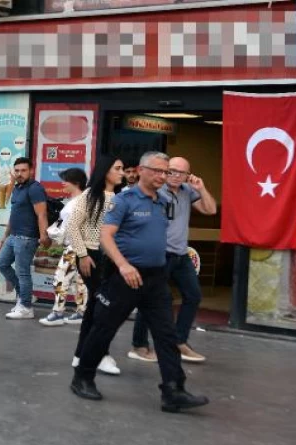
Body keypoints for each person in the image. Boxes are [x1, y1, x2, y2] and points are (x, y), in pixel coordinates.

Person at [71, 151, 209, 413]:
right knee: (103, 328)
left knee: (166, 335)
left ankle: (173, 390)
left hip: (156, 278)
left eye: (166, 171)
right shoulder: (125, 200)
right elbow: (106, 236)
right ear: (141, 170)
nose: (162, 176)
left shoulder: (162, 201)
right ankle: (83, 377)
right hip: (125, 277)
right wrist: (123, 265)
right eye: (157, 170)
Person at [130, 157, 217, 363]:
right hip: (159, 254)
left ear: (189, 175)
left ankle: (179, 342)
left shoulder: (187, 191)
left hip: (180, 254)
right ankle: (139, 345)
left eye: (182, 173)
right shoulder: (155, 191)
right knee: (150, 299)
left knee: (193, 295)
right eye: (172, 171)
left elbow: (211, 210)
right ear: (164, 171)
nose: (177, 176)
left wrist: (201, 188)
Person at [68, 155, 125, 376]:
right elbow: (73, 226)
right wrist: (82, 255)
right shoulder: (90, 195)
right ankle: (99, 353)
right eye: (118, 168)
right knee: (103, 306)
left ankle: (81, 353)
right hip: (91, 256)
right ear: (105, 170)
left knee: (95, 306)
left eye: (123, 169)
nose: (122, 172)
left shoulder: (122, 198)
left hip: (110, 257)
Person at [0, 157, 50, 320]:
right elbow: (14, 214)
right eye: (17, 170)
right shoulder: (17, 188)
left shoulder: (35, 188)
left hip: (27, 238)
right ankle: (24, 296)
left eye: (23, 170)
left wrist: (44, 236)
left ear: (31, 171)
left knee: (22, 272)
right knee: (1, 263)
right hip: (13, 236)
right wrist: (5, 235)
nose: (19, 174)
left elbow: (41, 214)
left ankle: (26, 307)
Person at [39, 168, 88, 326]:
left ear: (76, 183)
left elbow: (71, 227)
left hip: (73, 246)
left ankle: (58, 312)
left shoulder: (76, 203)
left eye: (66, 180)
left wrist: (56, 233)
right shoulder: (80, 201)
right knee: (79, 281)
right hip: (80, 246)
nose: (62, 183)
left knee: (60, 278)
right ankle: (82, 312)